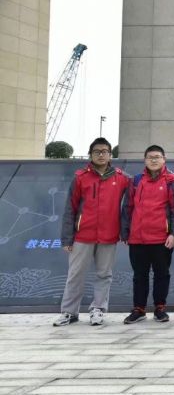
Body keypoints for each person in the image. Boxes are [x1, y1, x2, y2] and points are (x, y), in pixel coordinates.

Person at [54, 137, 130, 326]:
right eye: (97, 152)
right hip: (83, 236)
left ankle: (98, 310)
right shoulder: (81, 178)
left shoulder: (122, 178)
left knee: (104, 275)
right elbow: (70, 208)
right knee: (75, 274)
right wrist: (67, 238)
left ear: (110, 155)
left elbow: (131, 204)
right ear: (90, 154)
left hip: (109, 235)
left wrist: (125, 232)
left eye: (105, 151)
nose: (101, 155)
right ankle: (69, 312)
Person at [120, 144, 174, 324]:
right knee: (139, 275)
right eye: (150, 157)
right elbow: (127, 207)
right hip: (137, 238)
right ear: (145, 160)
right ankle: (139, 309)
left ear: (164, 159)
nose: (154, 160)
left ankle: (160, 308)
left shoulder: (172, 181)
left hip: (161, 238)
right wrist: (125, 232)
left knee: (162, 274)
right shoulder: (136, 181)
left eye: (157, 157)